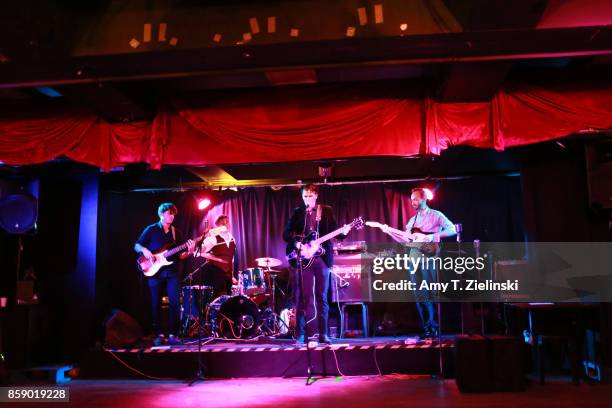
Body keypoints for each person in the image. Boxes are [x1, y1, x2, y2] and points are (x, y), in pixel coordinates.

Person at [383, 188, 456, 338]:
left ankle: (435, 327)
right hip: (414, 260)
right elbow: (405, 241)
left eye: (415, 199)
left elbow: (452, 229)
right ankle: (427, 329)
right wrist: (389, 231)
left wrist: (432, 237)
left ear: (424, 199)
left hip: (429, 259)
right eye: (411, 200)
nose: (413, 202)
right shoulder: (413, 220)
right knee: (419, 295)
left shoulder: (436, 215)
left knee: (430, 293)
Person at [283, 184, 351, 344]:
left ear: (316, 196)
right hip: (303, 258)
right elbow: (285, 233)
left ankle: (323, 334)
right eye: (304, 196)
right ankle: (300, 334)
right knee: (302, 297)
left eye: (309, 196)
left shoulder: (326, 210)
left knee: (322, 297)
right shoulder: (298, 212)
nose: (307, 199)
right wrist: (297, 244)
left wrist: (345, 231)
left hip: (322, 259)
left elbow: (336, 233)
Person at [135, 202, 195, 346]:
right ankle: (158, 334)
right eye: (169, 213)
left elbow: (181, 256)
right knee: (155, 303)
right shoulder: (151, 229)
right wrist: (145, 251)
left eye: (173, 213)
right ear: (161, 214)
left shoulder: (177, 233)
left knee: (174, 302)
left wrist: (191, 251)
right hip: (154, 271)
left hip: (172, 272)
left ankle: (173, 334)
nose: (172, 216)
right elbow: (137, 245)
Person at [199, 214, 237, 298]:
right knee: (220, 298)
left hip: (228, 275)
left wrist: (232, 275)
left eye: (227, 222)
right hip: (216, 273)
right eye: (222, 223)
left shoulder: (233, 239)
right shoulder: (213, 238)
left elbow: (232, 259)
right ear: (217, 226)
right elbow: (200, 251)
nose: (225, 225)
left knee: (229, 299)